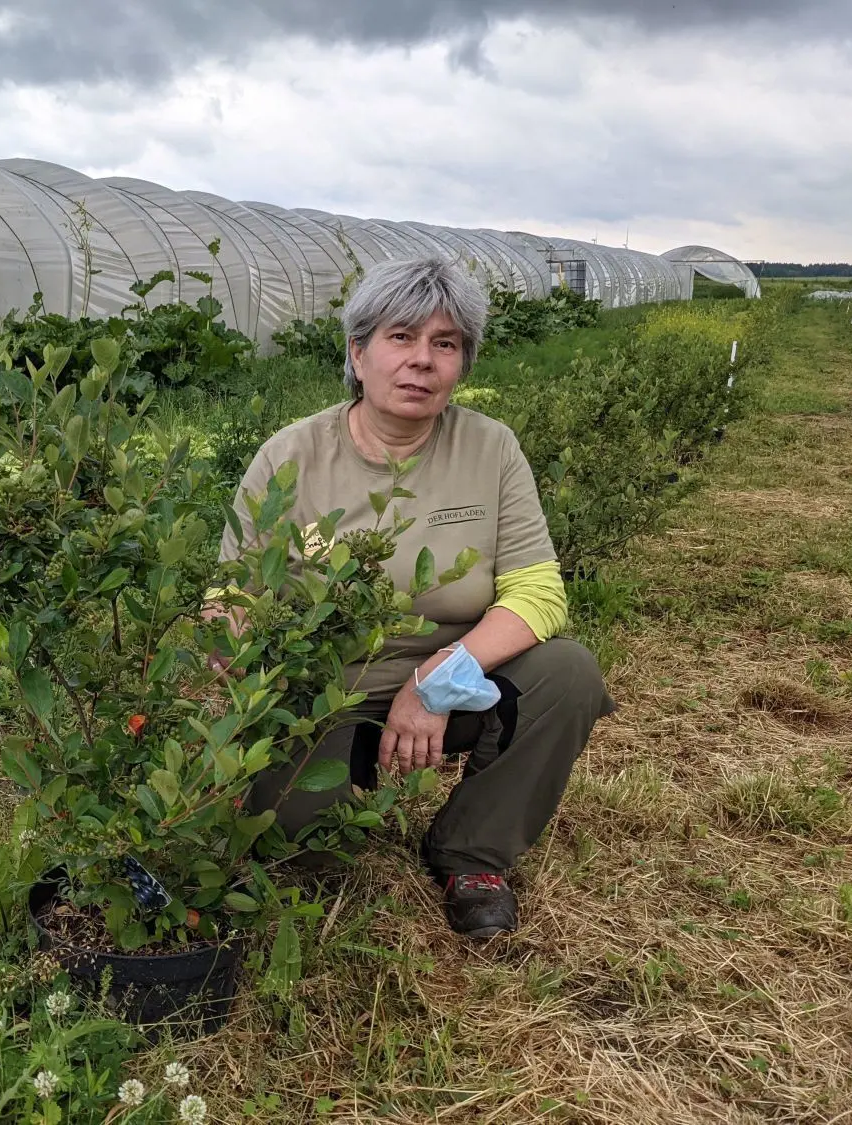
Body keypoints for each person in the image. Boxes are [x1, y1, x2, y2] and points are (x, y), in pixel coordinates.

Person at [215, 257, 615, 941]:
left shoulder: (490, 449)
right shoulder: (291, 457)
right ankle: (315, 794)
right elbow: (235, 597)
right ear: (358, 352)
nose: (421, 361)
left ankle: (472, 853)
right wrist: (217, 717)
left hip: (460, 683)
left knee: (567, 673)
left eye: (446, 343)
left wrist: (437, 678)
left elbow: (539, 591)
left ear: (463, 362)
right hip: (321, 691)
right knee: (302, 851)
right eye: (401, 337)